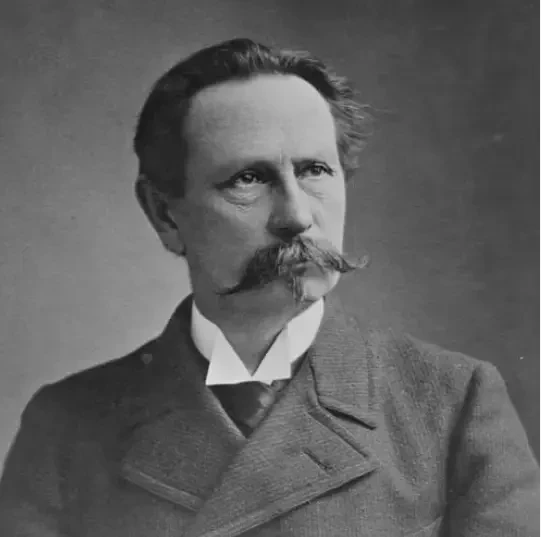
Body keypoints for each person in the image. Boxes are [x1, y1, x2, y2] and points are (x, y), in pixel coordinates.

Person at [0, 38, 538, 537]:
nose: (297, 216)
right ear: (164, 213)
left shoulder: (452, 402)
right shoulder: (67, 426)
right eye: (248, 179)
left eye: (315, 170)